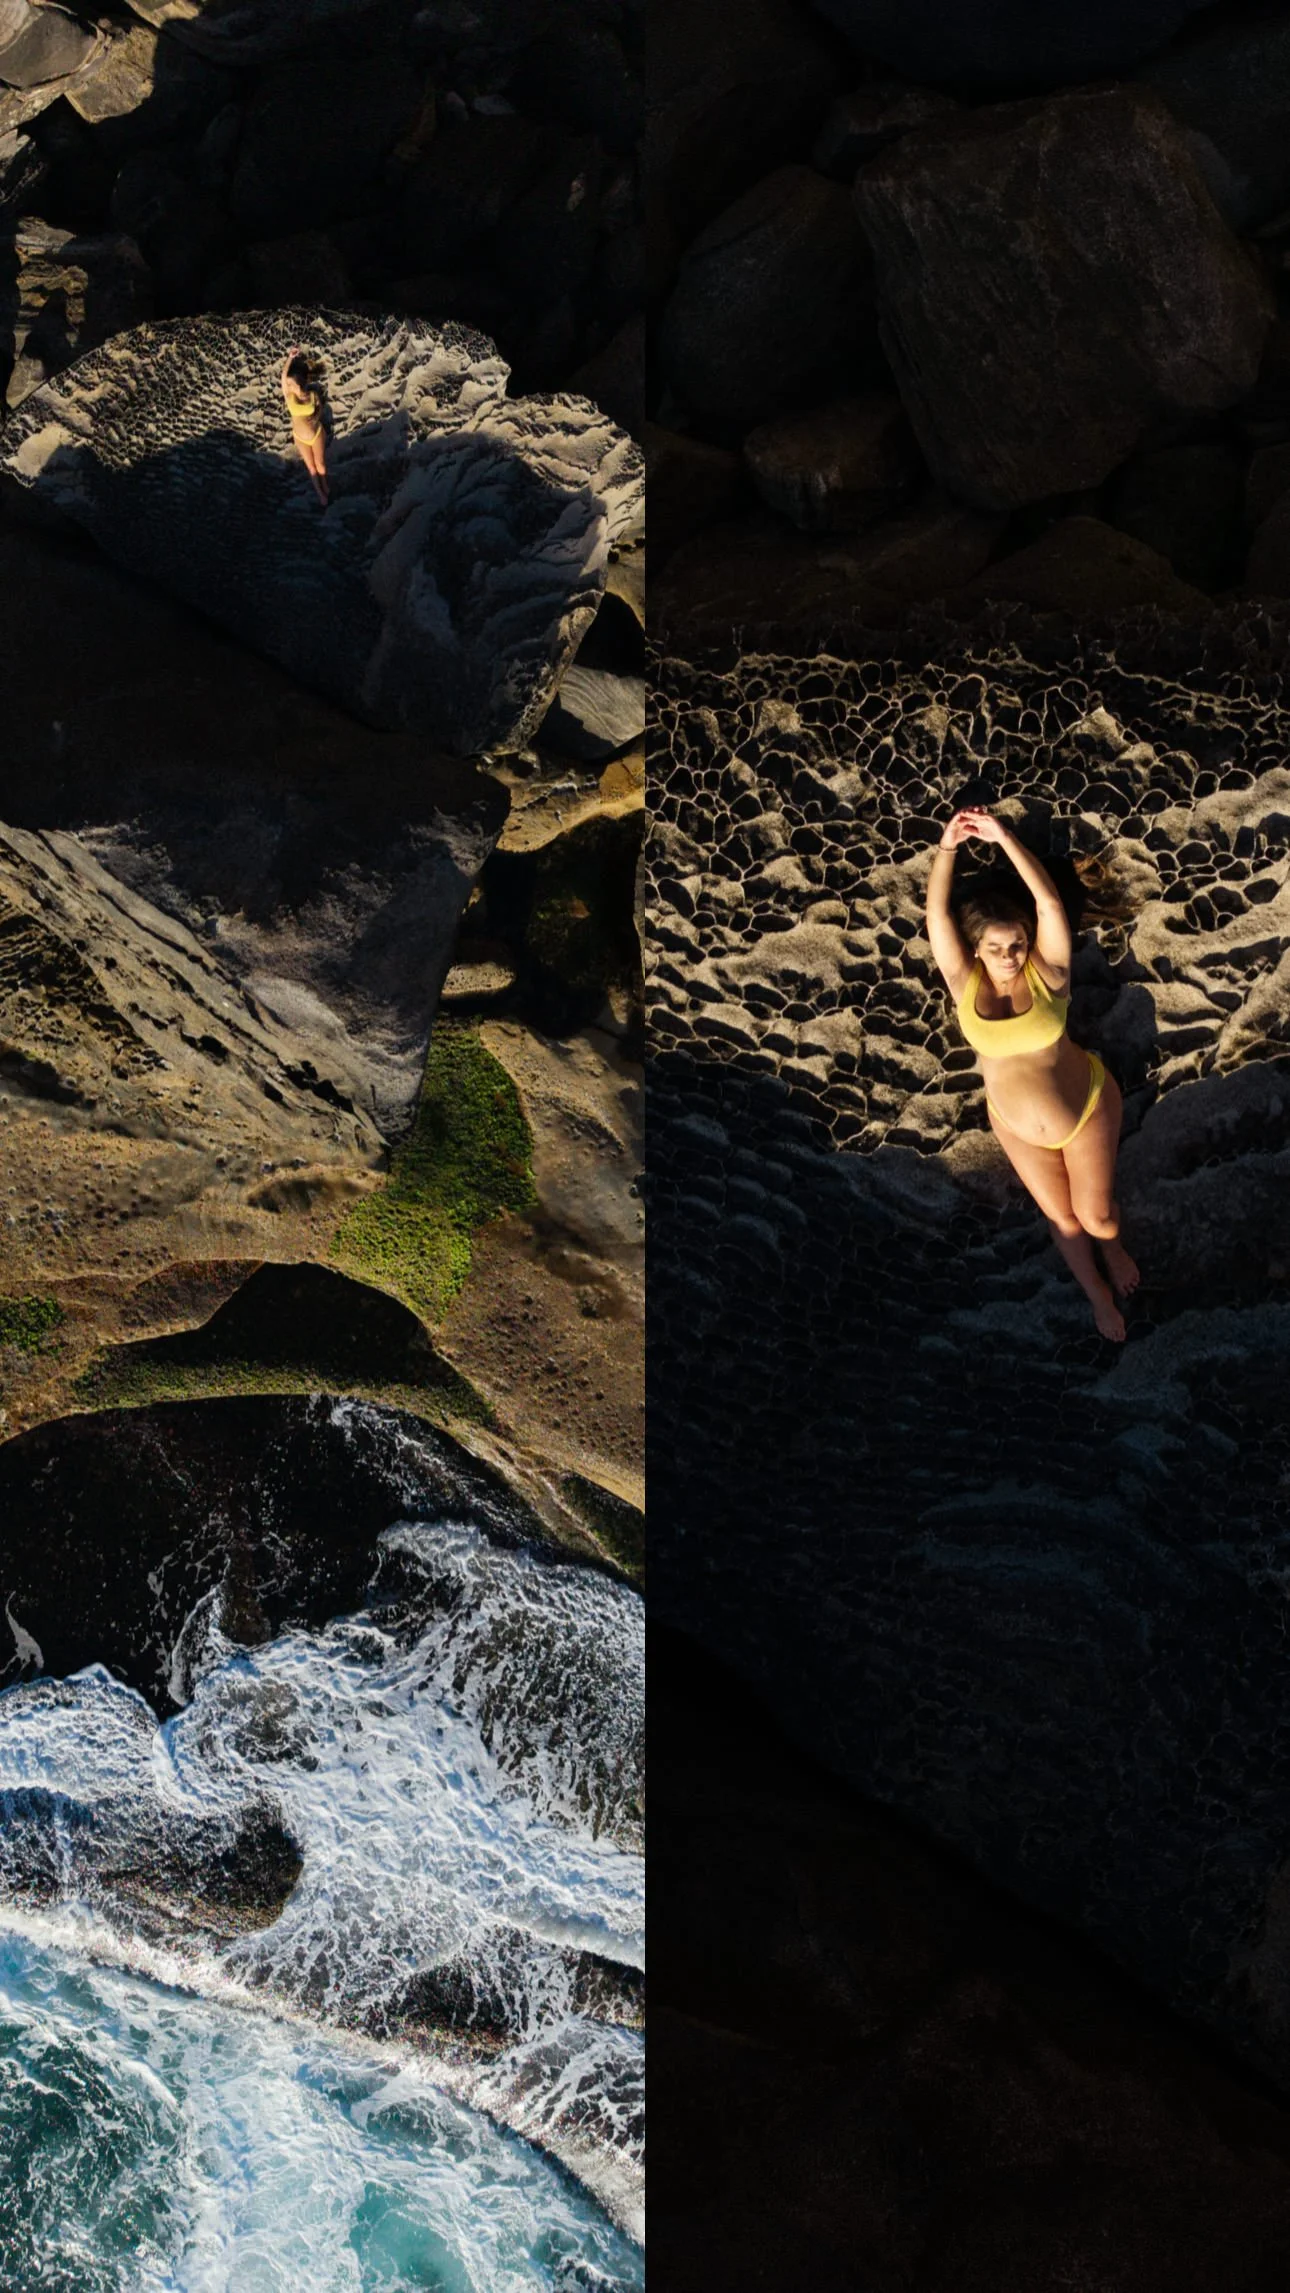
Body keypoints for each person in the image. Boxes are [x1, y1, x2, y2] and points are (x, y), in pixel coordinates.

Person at [924, 805, 1139, 1342]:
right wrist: (947, 848)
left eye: (1017, 943)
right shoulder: (964, 981)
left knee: (1097, 1219)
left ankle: (1112, 1249)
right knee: (1063, 1221)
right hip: (1014, 1126)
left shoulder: (1051, 974)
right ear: (977, 949)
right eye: (996, 947)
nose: (1009, 955)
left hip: (1084, 1107)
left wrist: (1003, 837)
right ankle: (1098, 1295)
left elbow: (1047, 903)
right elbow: (938, 917)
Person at [280, 349, 329, 506]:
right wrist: (290, 358)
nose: (288, 385)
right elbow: (283, 375)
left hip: (316, 434)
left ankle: (325, 484)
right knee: (312, 468)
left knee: (320, 465)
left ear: (298, 384)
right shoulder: (289, 396)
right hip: (300, 438)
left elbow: (319, 408)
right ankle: (321, 494)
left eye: (291, 384)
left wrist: (316, 416)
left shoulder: (312, 395)